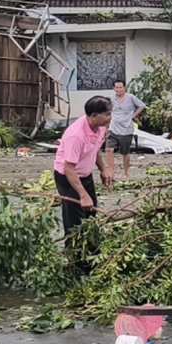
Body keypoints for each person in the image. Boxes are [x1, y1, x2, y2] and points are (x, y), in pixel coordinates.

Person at [54, 96, 114, 240]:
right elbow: (68, 168)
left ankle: (91, 252)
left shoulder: (100, 128)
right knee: (75, 220)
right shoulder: (76, 135)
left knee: (90, 213)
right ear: (94, 116)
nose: (110, 118)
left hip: (85, 175)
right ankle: (76, 259)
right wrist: (82, 194)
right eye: (107, 114)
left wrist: (103, 170)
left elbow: (96, 149)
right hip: (68, 178)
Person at [105, 79, 146, 180]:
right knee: (109, 149)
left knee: (125, 152)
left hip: (126, 129)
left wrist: (134, 115)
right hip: (113, 128)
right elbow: (106, 110)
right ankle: (111, 172)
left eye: (121, 87)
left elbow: (142, 105)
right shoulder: (110, 99)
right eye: (117, 88)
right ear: (114, 88)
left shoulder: (130, 98)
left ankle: (125, 173)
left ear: (124, 88)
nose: (119, 90)